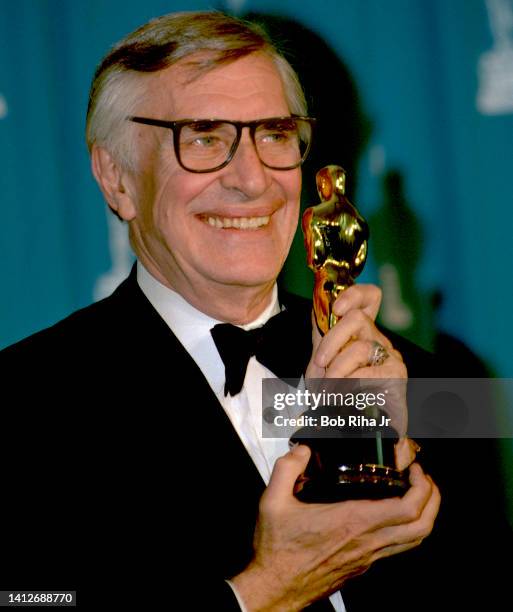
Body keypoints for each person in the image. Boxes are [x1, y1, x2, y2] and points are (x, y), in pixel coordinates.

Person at [0, 11, 509, 611]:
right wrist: (265, 590)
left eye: (274, 134)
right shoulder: (21, 405)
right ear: (117, 179)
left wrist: (369, 428)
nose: (252, 180)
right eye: (205, 137)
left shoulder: (431, 382)